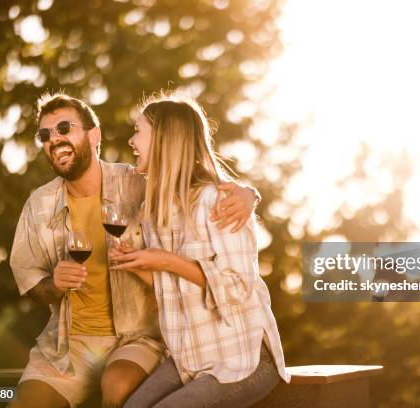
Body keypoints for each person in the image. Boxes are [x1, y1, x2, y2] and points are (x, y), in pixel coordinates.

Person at [9, 93, 260, 408]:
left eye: (64, 127)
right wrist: (54, 285)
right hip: (68, 346)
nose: (54, 139)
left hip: (137, 337)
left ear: (94, 134)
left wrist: (249, 194)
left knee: (117, 388)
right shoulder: (38, 206)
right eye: (45, 135)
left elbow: (189, 177)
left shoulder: (139, 183)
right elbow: (31, 282)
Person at [110, 93, 290, 408]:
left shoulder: (219, 202)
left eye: (139, 131)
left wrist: (165, 260)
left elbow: (236, 289)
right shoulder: (155, 213)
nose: (132, 140)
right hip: (190, 359)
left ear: (164, 141)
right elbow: (174, 288)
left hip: (243, 360)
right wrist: (139, 264)